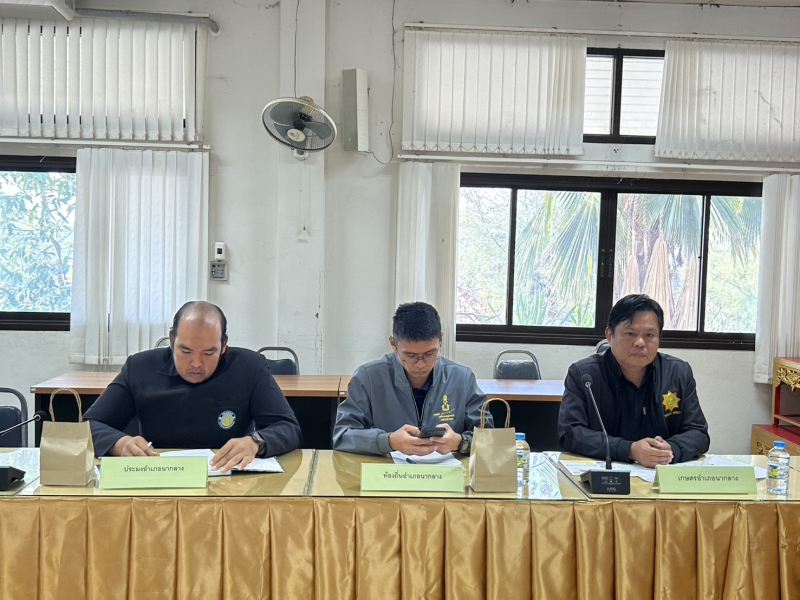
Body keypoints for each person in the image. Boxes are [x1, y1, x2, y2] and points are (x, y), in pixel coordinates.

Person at [85, 301, 302, 473]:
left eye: (209, 353)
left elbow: (288, 427)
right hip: (159, 477)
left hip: (229, 479)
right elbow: (89, 425)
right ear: (172, 340)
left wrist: (255, 442)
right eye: (186, 351)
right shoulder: (140, 367)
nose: (196, 364)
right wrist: (120, 443)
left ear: (224, 345)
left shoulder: (249, 367)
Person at [558, 294, 710, 468]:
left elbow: (698, 433)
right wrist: (629, 450)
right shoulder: (584, 375)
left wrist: (671, 449)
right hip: (605, 473)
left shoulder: (678, 373)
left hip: (661, 474)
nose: (640, 342)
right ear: (610, 335)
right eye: (630, 333)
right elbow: (570, 433)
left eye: (649, 335)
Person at [333, 302, 491, 456]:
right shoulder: (368, 378)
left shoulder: (462, 378)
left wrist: (460, 442)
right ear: (394, 344)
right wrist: (389, 441)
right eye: (410, 355)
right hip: (388, 470)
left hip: (446, 470)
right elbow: (342, 436)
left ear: (440, 340)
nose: (421, 364)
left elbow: (489, 438)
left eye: (430, 353)